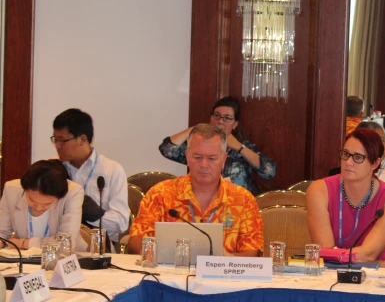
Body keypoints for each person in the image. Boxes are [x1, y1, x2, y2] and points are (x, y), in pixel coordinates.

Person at [129, 124, 264, 256]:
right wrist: (148, 252)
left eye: (212, 158)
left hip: (223, 276)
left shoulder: (243, 200)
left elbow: (252, 251)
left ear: (223, 160)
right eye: (197, 157)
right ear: (187, 157)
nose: (204, 165)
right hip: (167, 275)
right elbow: (136, 239)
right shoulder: (160, 194)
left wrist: (227, 259)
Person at [306, 128, 385, 262]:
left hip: (374, 276)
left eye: (358, 157)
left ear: (375, 163)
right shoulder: (319, 190)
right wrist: (352, 256)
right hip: (329, 274)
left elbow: (368, 254)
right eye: (346, 154)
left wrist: (337, 254)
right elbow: (324, 252)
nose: (348, 162)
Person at [159, 96, 276, 195]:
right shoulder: (200, 146)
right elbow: (167, 149)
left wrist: (239, 147)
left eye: (227, 118)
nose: (220, 121)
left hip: (238, 207)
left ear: (235, 124)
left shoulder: (244, 147)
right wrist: (195, 129)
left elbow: (269, 172)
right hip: (204, 204)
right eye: (217, 116)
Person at [52, 108, 130, 245]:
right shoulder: (52, 169)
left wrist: (92, 213)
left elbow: (121, 223)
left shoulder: (111, 170)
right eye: (55, 140)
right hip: (57, 241)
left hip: (98, 245)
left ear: (82, 139)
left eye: (62, 140)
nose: (57, 146)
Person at [0, 160, 84, 251]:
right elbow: (2, 233)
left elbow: (66, 243)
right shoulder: (12, 190)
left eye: (47, 204)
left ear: (59, 197)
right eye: (32, 200)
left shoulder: (72, 193)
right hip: (23, 259)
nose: (38, 208)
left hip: (64, 258)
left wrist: (24, 243)